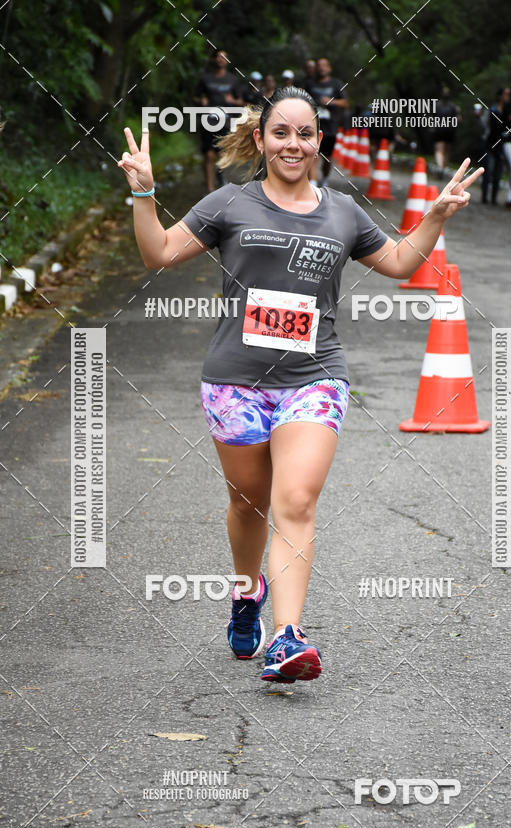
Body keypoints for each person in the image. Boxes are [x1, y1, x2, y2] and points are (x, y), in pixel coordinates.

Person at [117, 86, 483, 683]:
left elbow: (398, 264)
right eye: (281, 132)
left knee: (296, 501)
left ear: (320, 141)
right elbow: (158, 252)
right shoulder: (228, 204)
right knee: (248, 502)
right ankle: (246, 591)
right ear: (260, 140)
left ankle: (286, 637)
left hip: (315, 378)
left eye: (306, 133)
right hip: (235, 381)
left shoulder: (341, 210)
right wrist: (143, 191)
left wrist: (435, 215)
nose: (294, 143)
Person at [192, 48, 244, 193]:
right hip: (208, 120)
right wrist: (201, 100)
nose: (221, 59)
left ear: (227, 61)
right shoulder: (205, 79)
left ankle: (222, 182)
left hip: (226, 121)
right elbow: (195, 97)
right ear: (214, 60)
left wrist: (232, 100)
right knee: (209, 155)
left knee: (222, 154)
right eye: (219, 57)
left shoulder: (232, 80)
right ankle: (209, 189)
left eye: (224, 57)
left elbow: (241, 101)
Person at [307, 58, 348, 188]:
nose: (321, 68)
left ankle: (324, 179)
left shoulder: (336, 84)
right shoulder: (309, 84)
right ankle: (313, 184)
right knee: (313, 154)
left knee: (327, 159)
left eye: (324, 65)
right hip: (313, 125)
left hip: (331, 127)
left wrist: (331, 101)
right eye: (319, 65)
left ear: (329, 68)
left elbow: (345, 103)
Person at [480, 87, 509, 204]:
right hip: (489, 144)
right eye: (506, 94)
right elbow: (483, 125)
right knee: (488, 171)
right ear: (500, 96)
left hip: (501, 146)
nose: (508, 97)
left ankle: (494, 198)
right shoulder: (490, 110)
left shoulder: (509, 113)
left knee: (498, 173)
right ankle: (484, 197)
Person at [432, 85, 461, 176]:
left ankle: (440, 167)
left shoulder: (436, 105)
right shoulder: (454, 107)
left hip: (439, 129)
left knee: (439, 149)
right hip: (450, 130)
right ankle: (443, 167)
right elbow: (458, 119)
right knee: (447, 150)